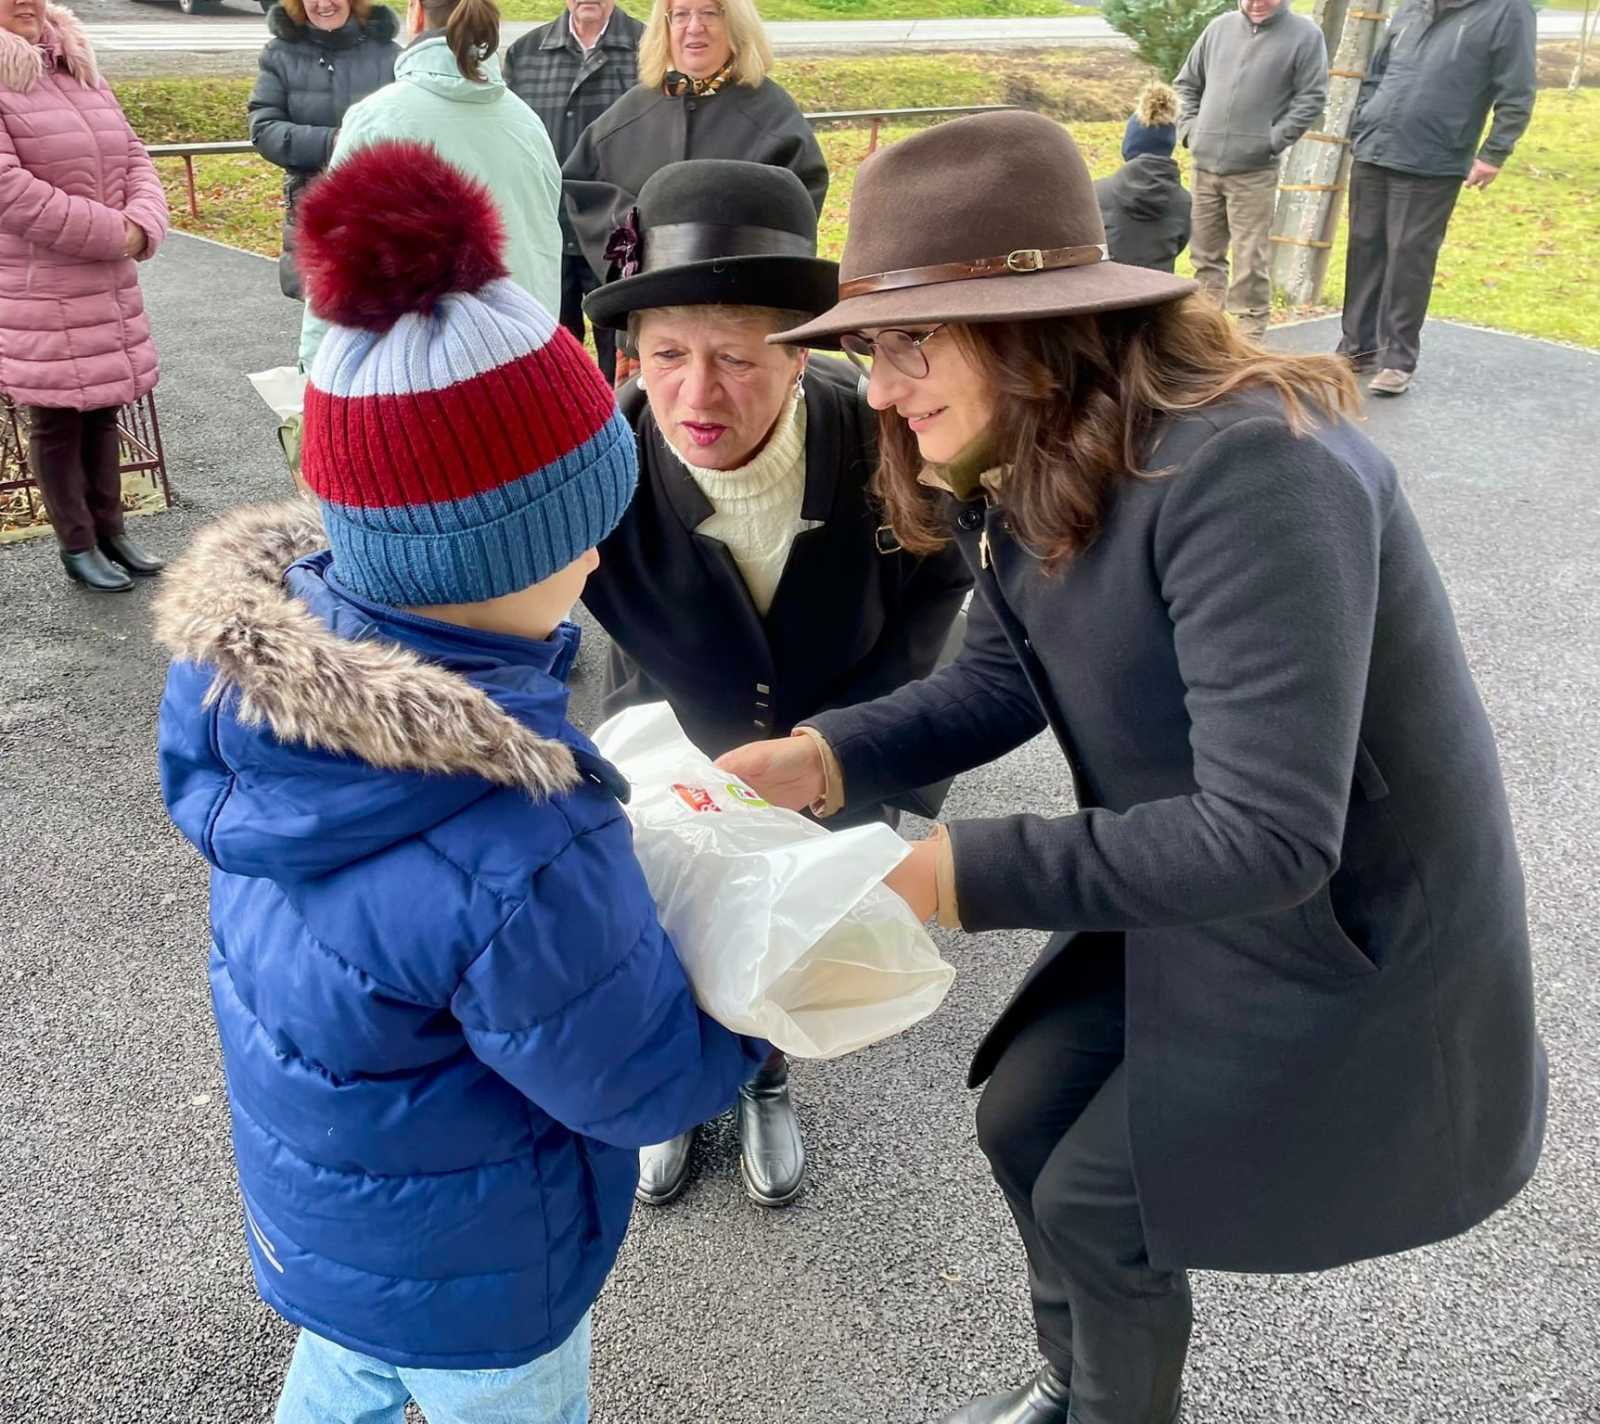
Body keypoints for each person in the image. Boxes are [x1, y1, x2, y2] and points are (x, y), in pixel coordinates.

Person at [720, 110, 1546, 1424]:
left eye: (908, 340)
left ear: (1039, 326)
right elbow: (998, 680)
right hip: (1192, 880)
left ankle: (1114, 1409)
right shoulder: (1050, 445)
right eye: (873, 348)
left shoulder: (1255, 471)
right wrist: (816, 759)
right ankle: (1080, 1378)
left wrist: (940, 871)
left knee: (1104, 1198)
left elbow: (1275, 837)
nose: (878, 387)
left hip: (1337, 932)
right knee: (1018, 1124)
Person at [156, 142, 767, 1424]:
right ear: (517, 546)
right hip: (486, 1268)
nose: (602, 546)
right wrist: (759, 1009)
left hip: (322, 1215)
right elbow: (636, 1076)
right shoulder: (516, 824)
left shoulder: (250, 701)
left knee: (349, 1377)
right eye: (582, 524)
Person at [579, 158, 973, 1209]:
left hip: (841, 745)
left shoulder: (887, 442)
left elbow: (939, 601)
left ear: (801, 357)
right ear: (631, 352)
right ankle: (675, 1089)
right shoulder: (597, 463)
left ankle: (764, 1073)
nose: (696, 394)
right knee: (663, 923)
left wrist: (874, 762)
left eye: (736, 359)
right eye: (666, 355)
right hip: (665, 739)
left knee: (783, 935)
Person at [561, 0, 828, 383]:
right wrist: (640, 236)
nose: (694, 27)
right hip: (653, 335)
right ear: (664, 27)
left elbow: (797, 202)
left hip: (743, 333)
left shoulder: (772, 113)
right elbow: (581, 185)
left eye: (710, 13)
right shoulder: (628, 113)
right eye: (681, 15)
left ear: (735, 25)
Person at [0, 0, 169, 592]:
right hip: (38, 286)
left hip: (103, 277)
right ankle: (76, 543)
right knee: (55, 419)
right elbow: (9, 189)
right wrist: (111, 232)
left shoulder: (74, 66)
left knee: (103, 407)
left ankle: (111, 529)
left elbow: (133, 155)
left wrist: (143, 221)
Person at [297, 0, 562, 371]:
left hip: (417, 382)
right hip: (524, 361)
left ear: (415, 13)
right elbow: (545, 250)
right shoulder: (527, 123)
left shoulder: (378, 120)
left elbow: (335, 271)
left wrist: (314, 372)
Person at [1339, 0, 1536, 397]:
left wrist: (1493, 153)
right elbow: (1377, 73)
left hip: (1435, 157)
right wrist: (1363, 122)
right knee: (1364, 247)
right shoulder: (1412, 7)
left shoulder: (1507, 12)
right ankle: (1356, 349)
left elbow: (1517, 90)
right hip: (1375, 148)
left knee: (1409, 256)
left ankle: (1397, 360)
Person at [505, 0, 644, 382]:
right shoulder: (526, 54)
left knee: (622, 365)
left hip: (619, 238)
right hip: (546, 234)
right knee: (547, 363)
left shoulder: (647, 50)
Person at [1174, 0, 1327, 340]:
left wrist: (1271, 140)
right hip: (1204, 166)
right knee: (1204, 258)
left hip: (1254, 172)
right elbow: (1186, 84)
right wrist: (1190, 132)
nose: (1256, 3)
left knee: (1249, 261)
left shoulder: (1305, 36)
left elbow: (1312, 98)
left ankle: (1249, 339)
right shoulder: (1219, 28)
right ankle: (1207, 336)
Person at [248, 0, 400, 301]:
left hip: (377, 207)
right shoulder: (280, 53)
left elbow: (408, 125)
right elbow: (263, 128)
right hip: (311, 204)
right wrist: (333, 141)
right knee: (317, 316)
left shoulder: (390, 55)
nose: (323, 4)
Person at [1093, 82, 1191, 274]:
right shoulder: (1184, 202)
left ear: (1129, 145)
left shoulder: (1096, 193)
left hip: (1106, 297)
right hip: (1159, 296)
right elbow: (1180, 245)